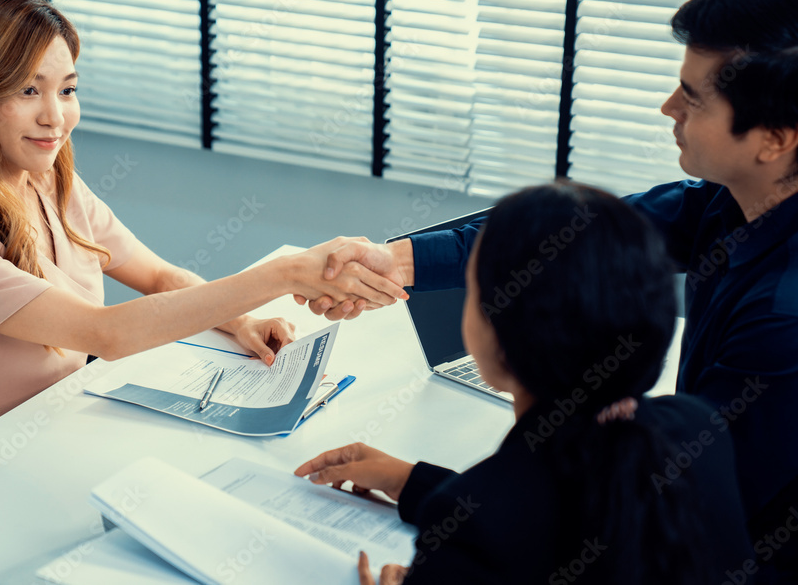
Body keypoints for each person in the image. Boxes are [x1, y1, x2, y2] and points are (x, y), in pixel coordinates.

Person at [304, 0, 798, 580]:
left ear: (774, 138)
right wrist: (398, 261)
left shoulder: (783, 321)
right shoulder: (727, 203)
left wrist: (462, 519)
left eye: (692, 99)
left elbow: (665, 520)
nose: (667, 107)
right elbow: (565, 233)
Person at [0, 0, 406, 484]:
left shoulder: (46, 180)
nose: (55, 116)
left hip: (51, 437)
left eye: (67, 89)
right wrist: (287, 274)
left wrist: (241, 321)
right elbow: (105, 334)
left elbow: (157, 275)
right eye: (28, 90)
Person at [296, 182, 753, 584]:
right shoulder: (697, 429)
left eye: (473, 292)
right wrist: (413, 482)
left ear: (499, 343)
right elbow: (566, 524)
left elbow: (519, 524)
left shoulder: (484, 532)